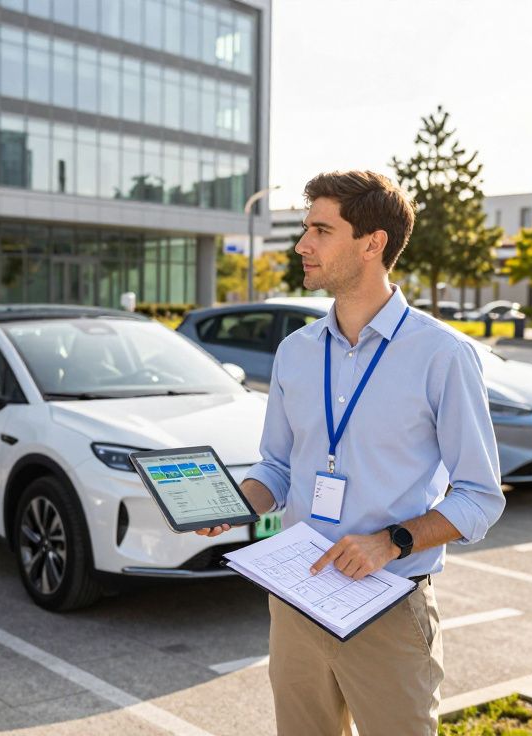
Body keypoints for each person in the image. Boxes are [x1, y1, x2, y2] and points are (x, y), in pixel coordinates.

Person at [199, 171, 505, 735]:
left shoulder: (443, 355)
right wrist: (235, 503)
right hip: (295, 602)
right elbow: (277, 468)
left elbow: (480, 499)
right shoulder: (295, 351)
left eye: (320, 229)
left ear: (373, 243)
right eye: (304, 228)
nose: (301, 245)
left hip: (388, 609)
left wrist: (391, 542)